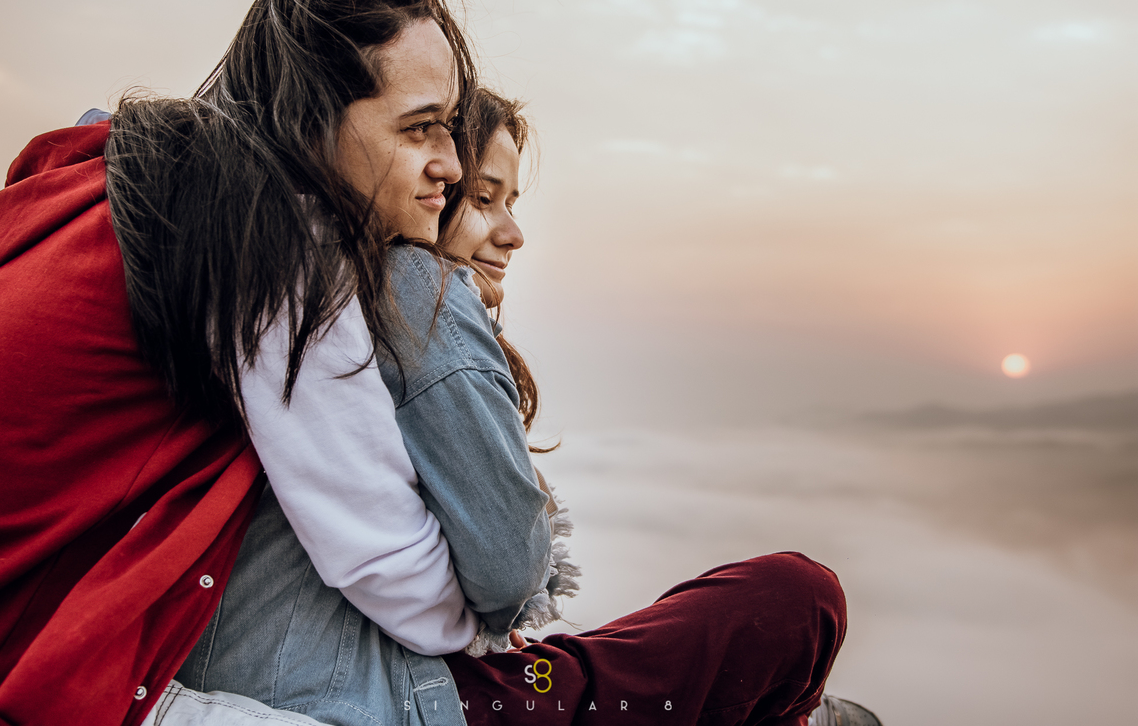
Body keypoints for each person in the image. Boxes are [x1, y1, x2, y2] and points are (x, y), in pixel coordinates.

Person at [148, 91, 879, 726]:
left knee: (590, 662)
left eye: (512, 202)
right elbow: (508, 574)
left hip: (409, 670)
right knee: (798, 598)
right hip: (416, 697)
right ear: (435, 192)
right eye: (486, 198)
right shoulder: (415, 286)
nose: (513, 232)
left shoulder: (306, 291)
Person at [0, 0, 485, 726]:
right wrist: (484, 625)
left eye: (454, 125)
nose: (452, 163)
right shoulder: (263, 234)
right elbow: (391, 568)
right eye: (420, 128)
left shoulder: (144, 193)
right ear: (313, 120)